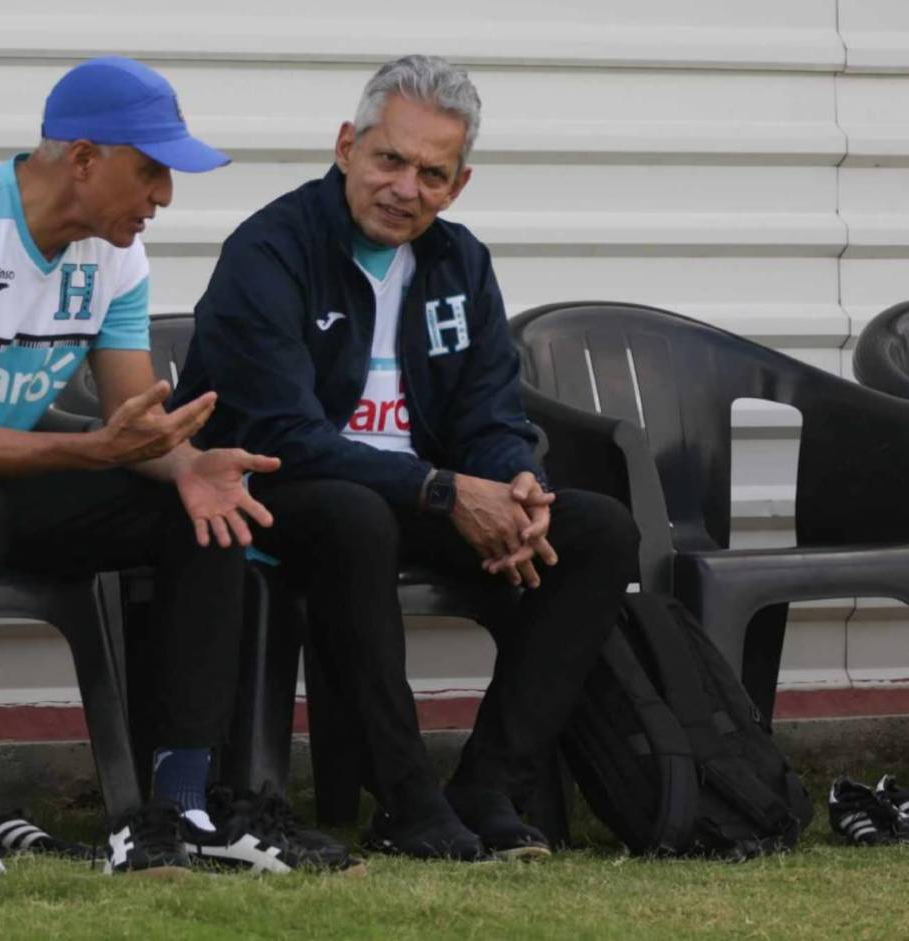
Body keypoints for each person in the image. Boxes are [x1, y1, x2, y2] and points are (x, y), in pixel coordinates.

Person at [0, 56, 351, 875]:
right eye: (150, 171)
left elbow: (132, 420)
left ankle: (183, 806)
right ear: (83, 158)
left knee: (201, 510)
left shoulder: (116, 256)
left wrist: (187, 465)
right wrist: (91, 450)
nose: (164, 195)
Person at [172, 54, 640, 861]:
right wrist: (444, 489)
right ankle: (406, 799)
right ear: (346, 146)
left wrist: (518, 484)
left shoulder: (461, 262)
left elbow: (491, 413)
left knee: (597, 530)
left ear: (458, 185)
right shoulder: (271, 250)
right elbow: (281, 434)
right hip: (281, 494)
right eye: (389, 159)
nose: (405, 188)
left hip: (418, 494)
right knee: (356, 517)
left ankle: (489, 783)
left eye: (432, 174)